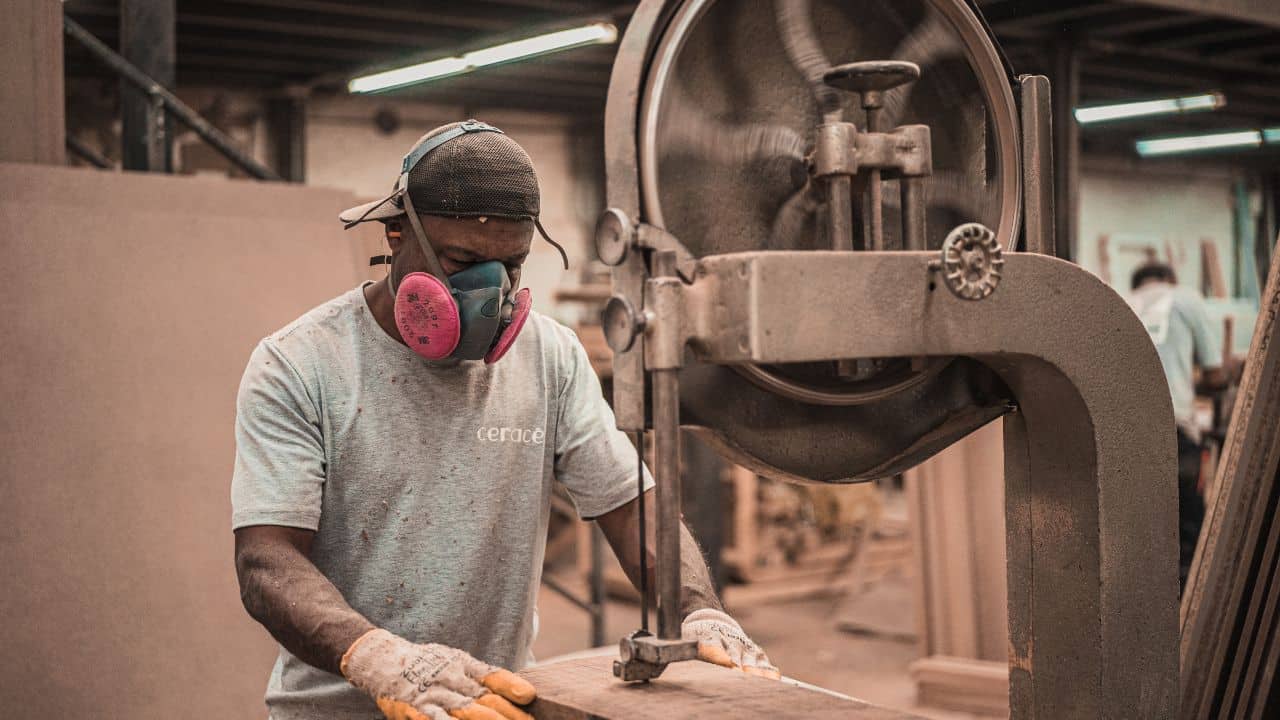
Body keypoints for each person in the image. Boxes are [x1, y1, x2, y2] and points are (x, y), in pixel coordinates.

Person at [230, 120, 776, 720]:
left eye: (510, 267)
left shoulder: (549, 354)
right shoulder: (300, 362)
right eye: (462, 261)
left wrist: (698, 610)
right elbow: (267, 560)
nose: (488, 292)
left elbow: (630, 506)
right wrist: (378, 658)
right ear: (395, 234)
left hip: (492, 705)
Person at [1126, 261, 1231, 591]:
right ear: (1170, 279)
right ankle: (1187, 619)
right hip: (1174, 431)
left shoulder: (1119, 301)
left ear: (1137, 284)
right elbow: (1216, 376)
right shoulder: (1186, 298)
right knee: (1189, 534)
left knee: (1139, 535)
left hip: (1125, 435)